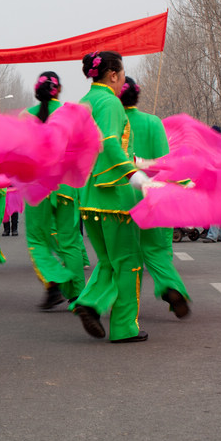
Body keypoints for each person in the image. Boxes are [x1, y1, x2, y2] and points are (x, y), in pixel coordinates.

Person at [69, 51, 149, 343]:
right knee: (128, 261)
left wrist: (133, 161)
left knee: (106, 259)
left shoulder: (84, 103)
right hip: (114, 196)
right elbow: (109, 143)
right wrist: (132, 174)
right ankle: (124, 326)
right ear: (113, 75)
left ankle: (89, 301)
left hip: (88, 197)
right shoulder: (111, 102)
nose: (124, 79)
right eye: (123, 72)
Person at [120, 76, 190, 318]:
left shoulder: (113, 124)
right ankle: (171, 287)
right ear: (137, 95)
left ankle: (121, 305)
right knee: (157, 250)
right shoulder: (153, 122)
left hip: (121, 195)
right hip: (153, 193)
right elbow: (165, 162)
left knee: (123, 254)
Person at [24, 72, 89, 310]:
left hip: (37, 186)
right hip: (65, 185)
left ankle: (54, 282)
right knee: (70, 241)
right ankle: (78, 295)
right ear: (58, 89)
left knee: (37, 239)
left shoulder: (27, 117)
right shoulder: (70, 114)